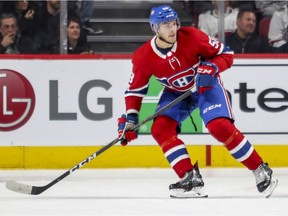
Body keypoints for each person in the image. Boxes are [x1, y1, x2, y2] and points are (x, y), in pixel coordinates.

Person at [117, 5, 278, 198]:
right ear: (155, 29)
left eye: (173, 23)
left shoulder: (192, 36)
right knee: (160, 129)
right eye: (165, 25)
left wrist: (212, 67)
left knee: (219, 126)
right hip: (175, 92)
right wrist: (131, 120)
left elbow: (226, 54)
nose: (171, 29)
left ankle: (260, 169)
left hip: (205, 86)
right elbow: (135, 90)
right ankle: (189, 178)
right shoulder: (143, 57)